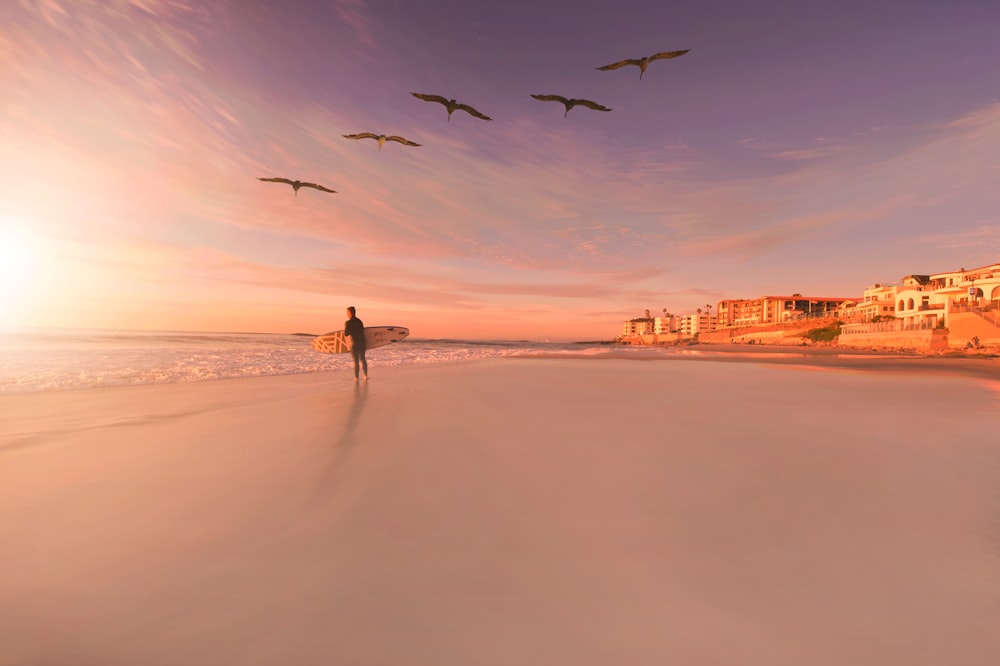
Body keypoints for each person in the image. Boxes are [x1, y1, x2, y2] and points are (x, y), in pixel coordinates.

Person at [344, 306, 367, 381]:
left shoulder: (348, 322)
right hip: (362, 342)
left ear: (350, 313)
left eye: (347, 312)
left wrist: (349, 329)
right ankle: (365, 376)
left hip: (354, 343)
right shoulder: (360, 321)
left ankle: (356, 377)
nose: (347, 314)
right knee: (363, 358)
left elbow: (346, 333)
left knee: (356, 361)